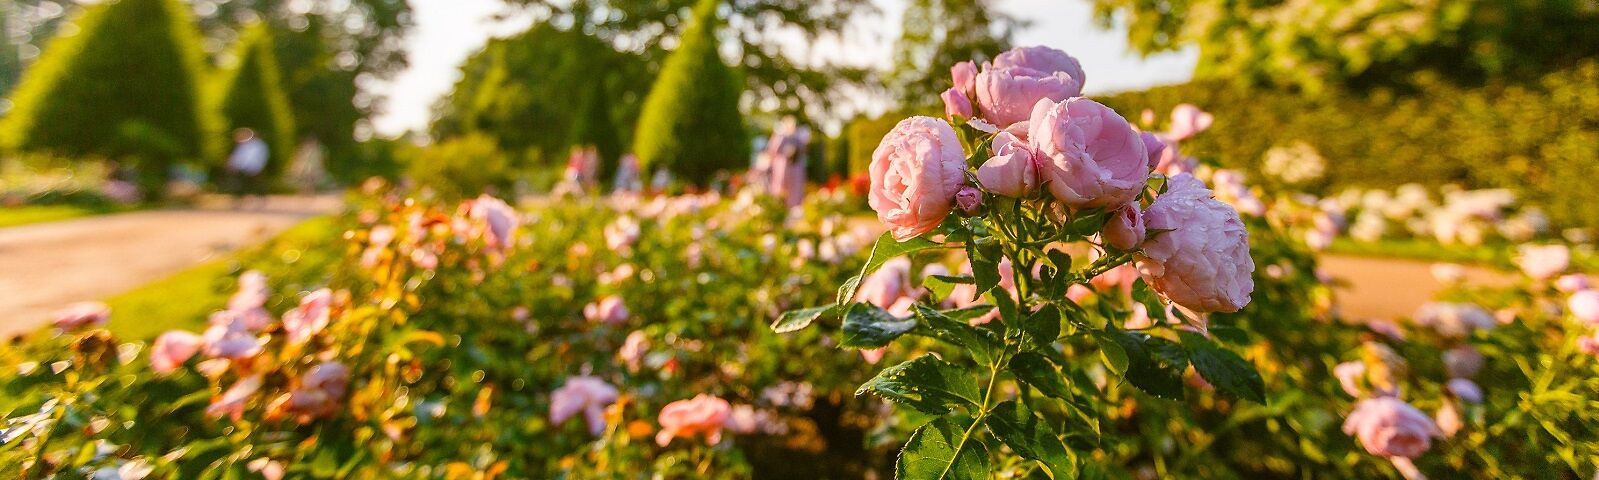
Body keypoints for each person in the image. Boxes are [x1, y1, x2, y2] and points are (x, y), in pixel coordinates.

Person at [225, 128, 269, 208]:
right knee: (241, 186)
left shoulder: (259, 145)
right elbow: (238, 157)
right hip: (243, 169)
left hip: (254, 168)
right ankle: (240, 201)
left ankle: (260, 201)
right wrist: (233, 165)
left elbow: (261, 157)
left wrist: (258, 167)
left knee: (256, 186)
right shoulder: (243, 145)